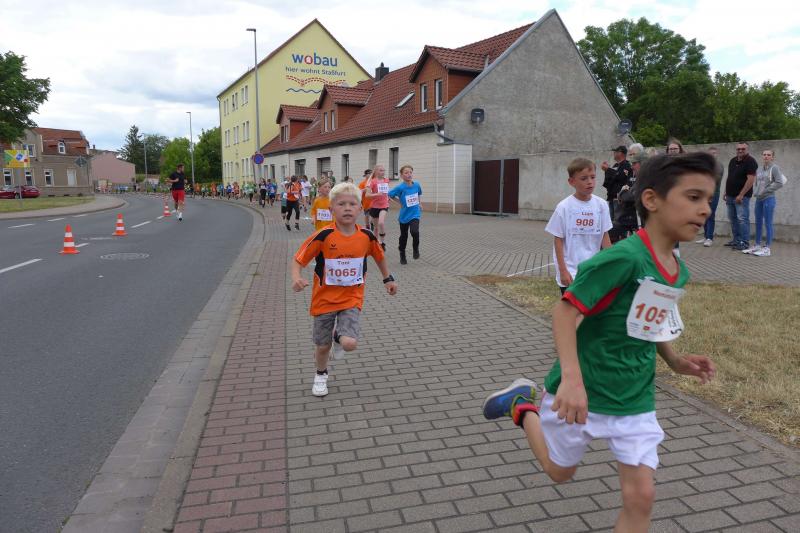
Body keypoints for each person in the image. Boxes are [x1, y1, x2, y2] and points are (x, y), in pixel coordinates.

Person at [483, 152, 718, 533]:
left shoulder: (678, 270)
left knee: (641, 497)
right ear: (651, 199)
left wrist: (675, 361)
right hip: (582, 393)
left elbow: (650, 324)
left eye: (708, 198)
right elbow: (564, 312)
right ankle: (523, 406)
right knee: (559, 472)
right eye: (693, 197)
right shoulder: (622, 259)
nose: (705, 209)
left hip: (634, 397)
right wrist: (572, 379)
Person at [291, 182, 398, 396]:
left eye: (352, 204)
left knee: (349, 344)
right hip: (324, 300)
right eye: (341, 204)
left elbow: (379, 256)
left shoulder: (367, 236)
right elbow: (298, 260)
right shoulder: (323, 235)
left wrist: (388, 279)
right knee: (323, 346)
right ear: (331, 209)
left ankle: (338, 336)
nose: (347, 208)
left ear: (360, 209)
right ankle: (321, 374)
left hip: (351, 298)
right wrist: (296, 278)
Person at [545, 158, 612, 294]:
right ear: (572, 182)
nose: (590, 182)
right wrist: (563, 271)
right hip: (571, 273)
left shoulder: (601, 205)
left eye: (593, 177)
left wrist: (612, 263)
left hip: (593, 271)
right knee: (572, 307)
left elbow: (605, 236)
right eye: (583, 178)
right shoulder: (564, 207)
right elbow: (558, 241)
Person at [747, 149, 785, 257]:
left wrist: (766, 190)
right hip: (759, 199)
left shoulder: (774, 168)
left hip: (769, 198)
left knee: (768, 223)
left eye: (768, 155)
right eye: (764, 154)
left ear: (772, 157)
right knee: (758, 222)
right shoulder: (759, 169)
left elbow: (779, 183)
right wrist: (757, 192)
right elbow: (757, 183)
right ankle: (757, 245)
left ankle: (767, 248)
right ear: (762, 156)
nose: (766, 156)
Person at [725, 142, 758, 251]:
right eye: (738, 149)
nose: (740, 150)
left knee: (742, 219)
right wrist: (725, 191)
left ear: (747, 149)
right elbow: (729, 177)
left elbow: (751, 180)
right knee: (733, 218)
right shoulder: (732, 160)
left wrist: (741, 195)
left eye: (743, 149)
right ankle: (736, 240)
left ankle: (744, 242)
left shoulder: (751, 161)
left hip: (742, 197)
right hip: (730, 195)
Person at [388, 164, 423, 264]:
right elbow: (390, 195)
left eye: (410, 172)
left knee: (415, 232)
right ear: (402, 175)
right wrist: (400, 202)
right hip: (404, 215)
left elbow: (419, 194)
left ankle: (415, 249)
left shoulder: (417, 185)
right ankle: (402, 253)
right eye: (406, 173)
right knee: (404, 236)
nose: (409, 174)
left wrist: (419, 203)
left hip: (415, 213)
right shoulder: (400, 187)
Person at [696, 147, 724, 247]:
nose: (712, 155)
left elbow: (715, 180)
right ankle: (705, 236)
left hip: (713, 193)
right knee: (704, 214)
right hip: (704, 193)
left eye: (714, 153)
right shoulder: (706, 165)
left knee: (710, 215)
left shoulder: (719, 166)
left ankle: (709, 238)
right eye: (710, 153)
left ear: (717, 154)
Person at [601, 146, 633, 223]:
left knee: (618, 221)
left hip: (619, 198)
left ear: (621, 153)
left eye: (615, 152)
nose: (614, 153)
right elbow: (608, 182)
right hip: (611, 197)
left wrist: (608, 170)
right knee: (611, 221)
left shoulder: (626, 165)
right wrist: (607, 171)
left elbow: (621, 177)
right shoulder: (615, 165)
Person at [365, 165, 390, 250]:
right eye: (381, 170)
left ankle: (382, 242)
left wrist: (388, 197)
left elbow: (386, 192)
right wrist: (377, 194)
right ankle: (375, 244)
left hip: (384, 205)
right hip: (374, 206)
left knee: (381, 223)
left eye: (384, 170)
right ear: (376, 172)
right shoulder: (373, 182)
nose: (383, 172)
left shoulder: (386, 180)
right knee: (376, 228)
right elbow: (367, 195)